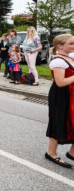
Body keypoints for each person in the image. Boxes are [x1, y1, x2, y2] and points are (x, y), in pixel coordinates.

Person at [45, 34, 74, 169]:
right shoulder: (58, 61)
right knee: (59, 121)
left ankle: (72, 152)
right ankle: (51, 153)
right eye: (71, 44)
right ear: (60, 46)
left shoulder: (70, 57)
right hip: (61, 95)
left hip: (71, 94)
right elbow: (60, 82)